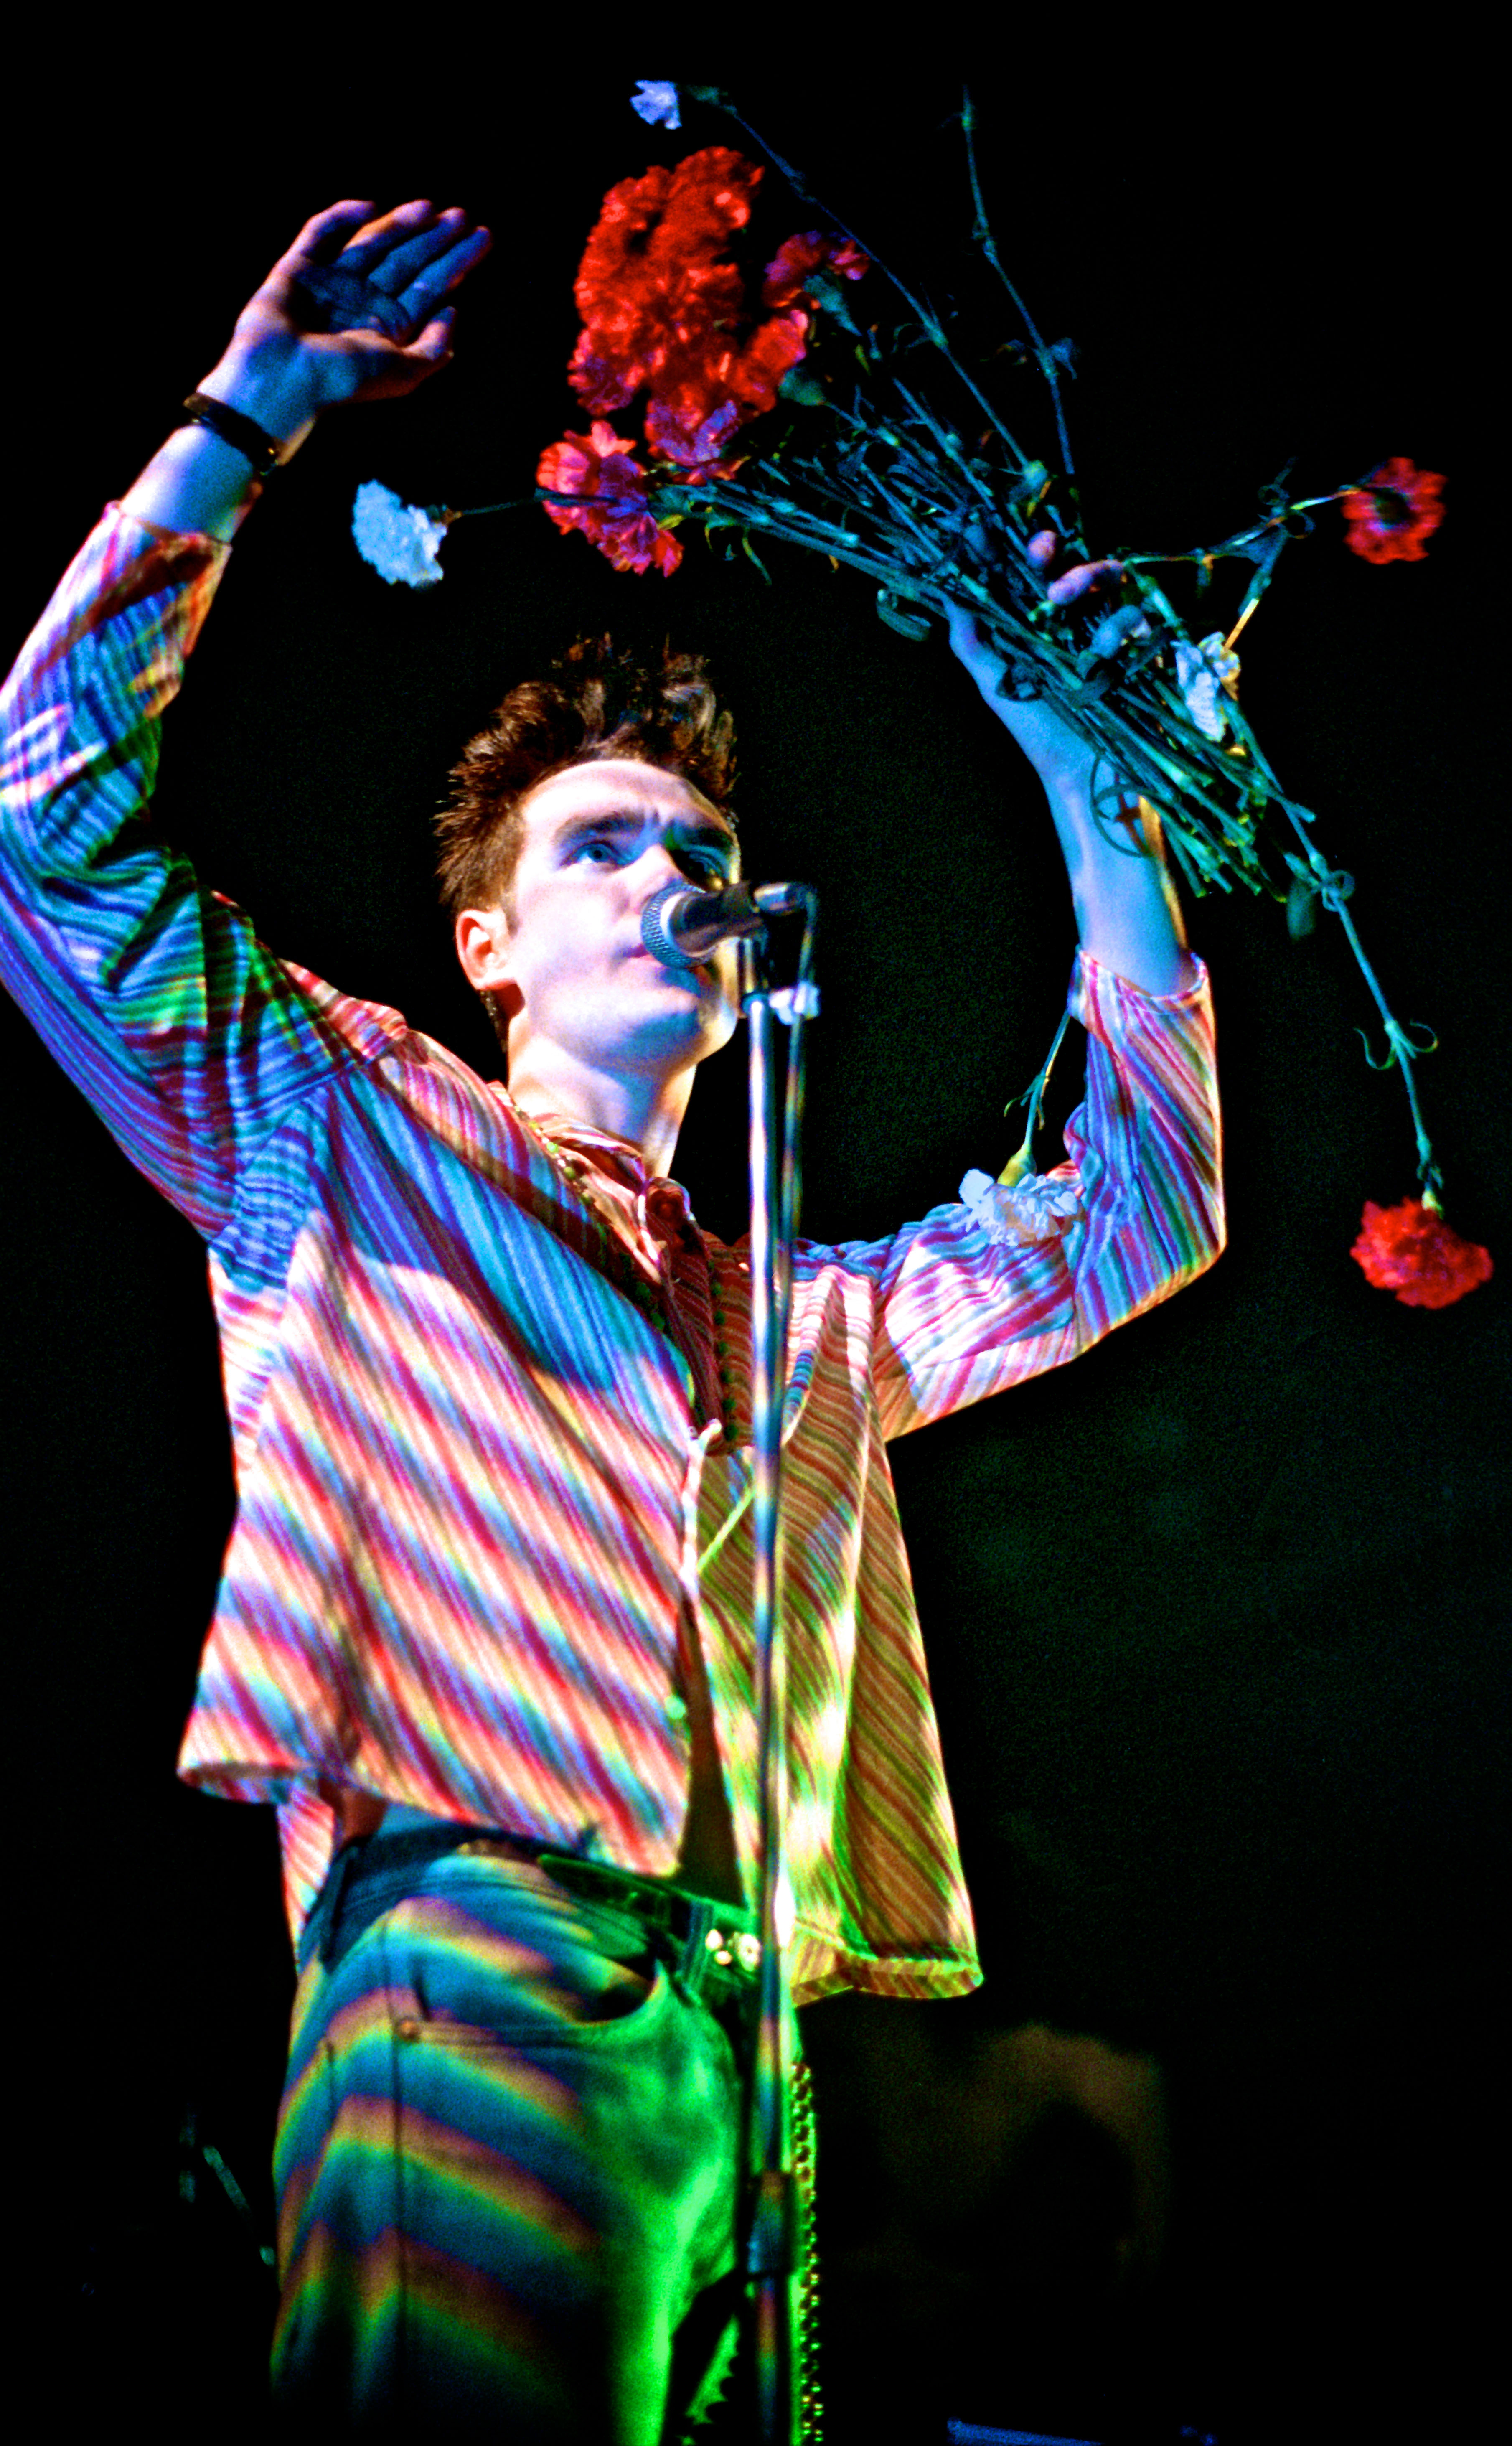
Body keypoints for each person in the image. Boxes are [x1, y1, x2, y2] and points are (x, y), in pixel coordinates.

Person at [0, 197, 1224, 2440]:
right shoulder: (340, 1123)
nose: (671, 879)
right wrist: (246, 417)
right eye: (600, 849)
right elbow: (50, 828)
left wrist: (1088, 774)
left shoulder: (791, 1315)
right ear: (488, 949)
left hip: (735, 2044)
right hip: (472, 1965)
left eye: (694, 851)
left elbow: (1142, 1209)